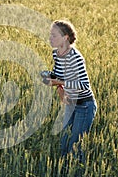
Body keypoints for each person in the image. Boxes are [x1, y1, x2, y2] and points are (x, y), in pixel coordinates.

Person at [45, 20, 97, 163]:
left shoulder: (75, 57)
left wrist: (59, 82)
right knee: (64, 143)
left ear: (65, 37)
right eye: (50, 35)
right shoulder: (56, 54)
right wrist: (49, 78)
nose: (50, 38)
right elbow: (58, 75)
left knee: (75, 147)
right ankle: (63, 171)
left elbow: (84, 85)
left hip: (84, 106)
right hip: (70, 103)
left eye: (54, 35)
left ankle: (75, 172)